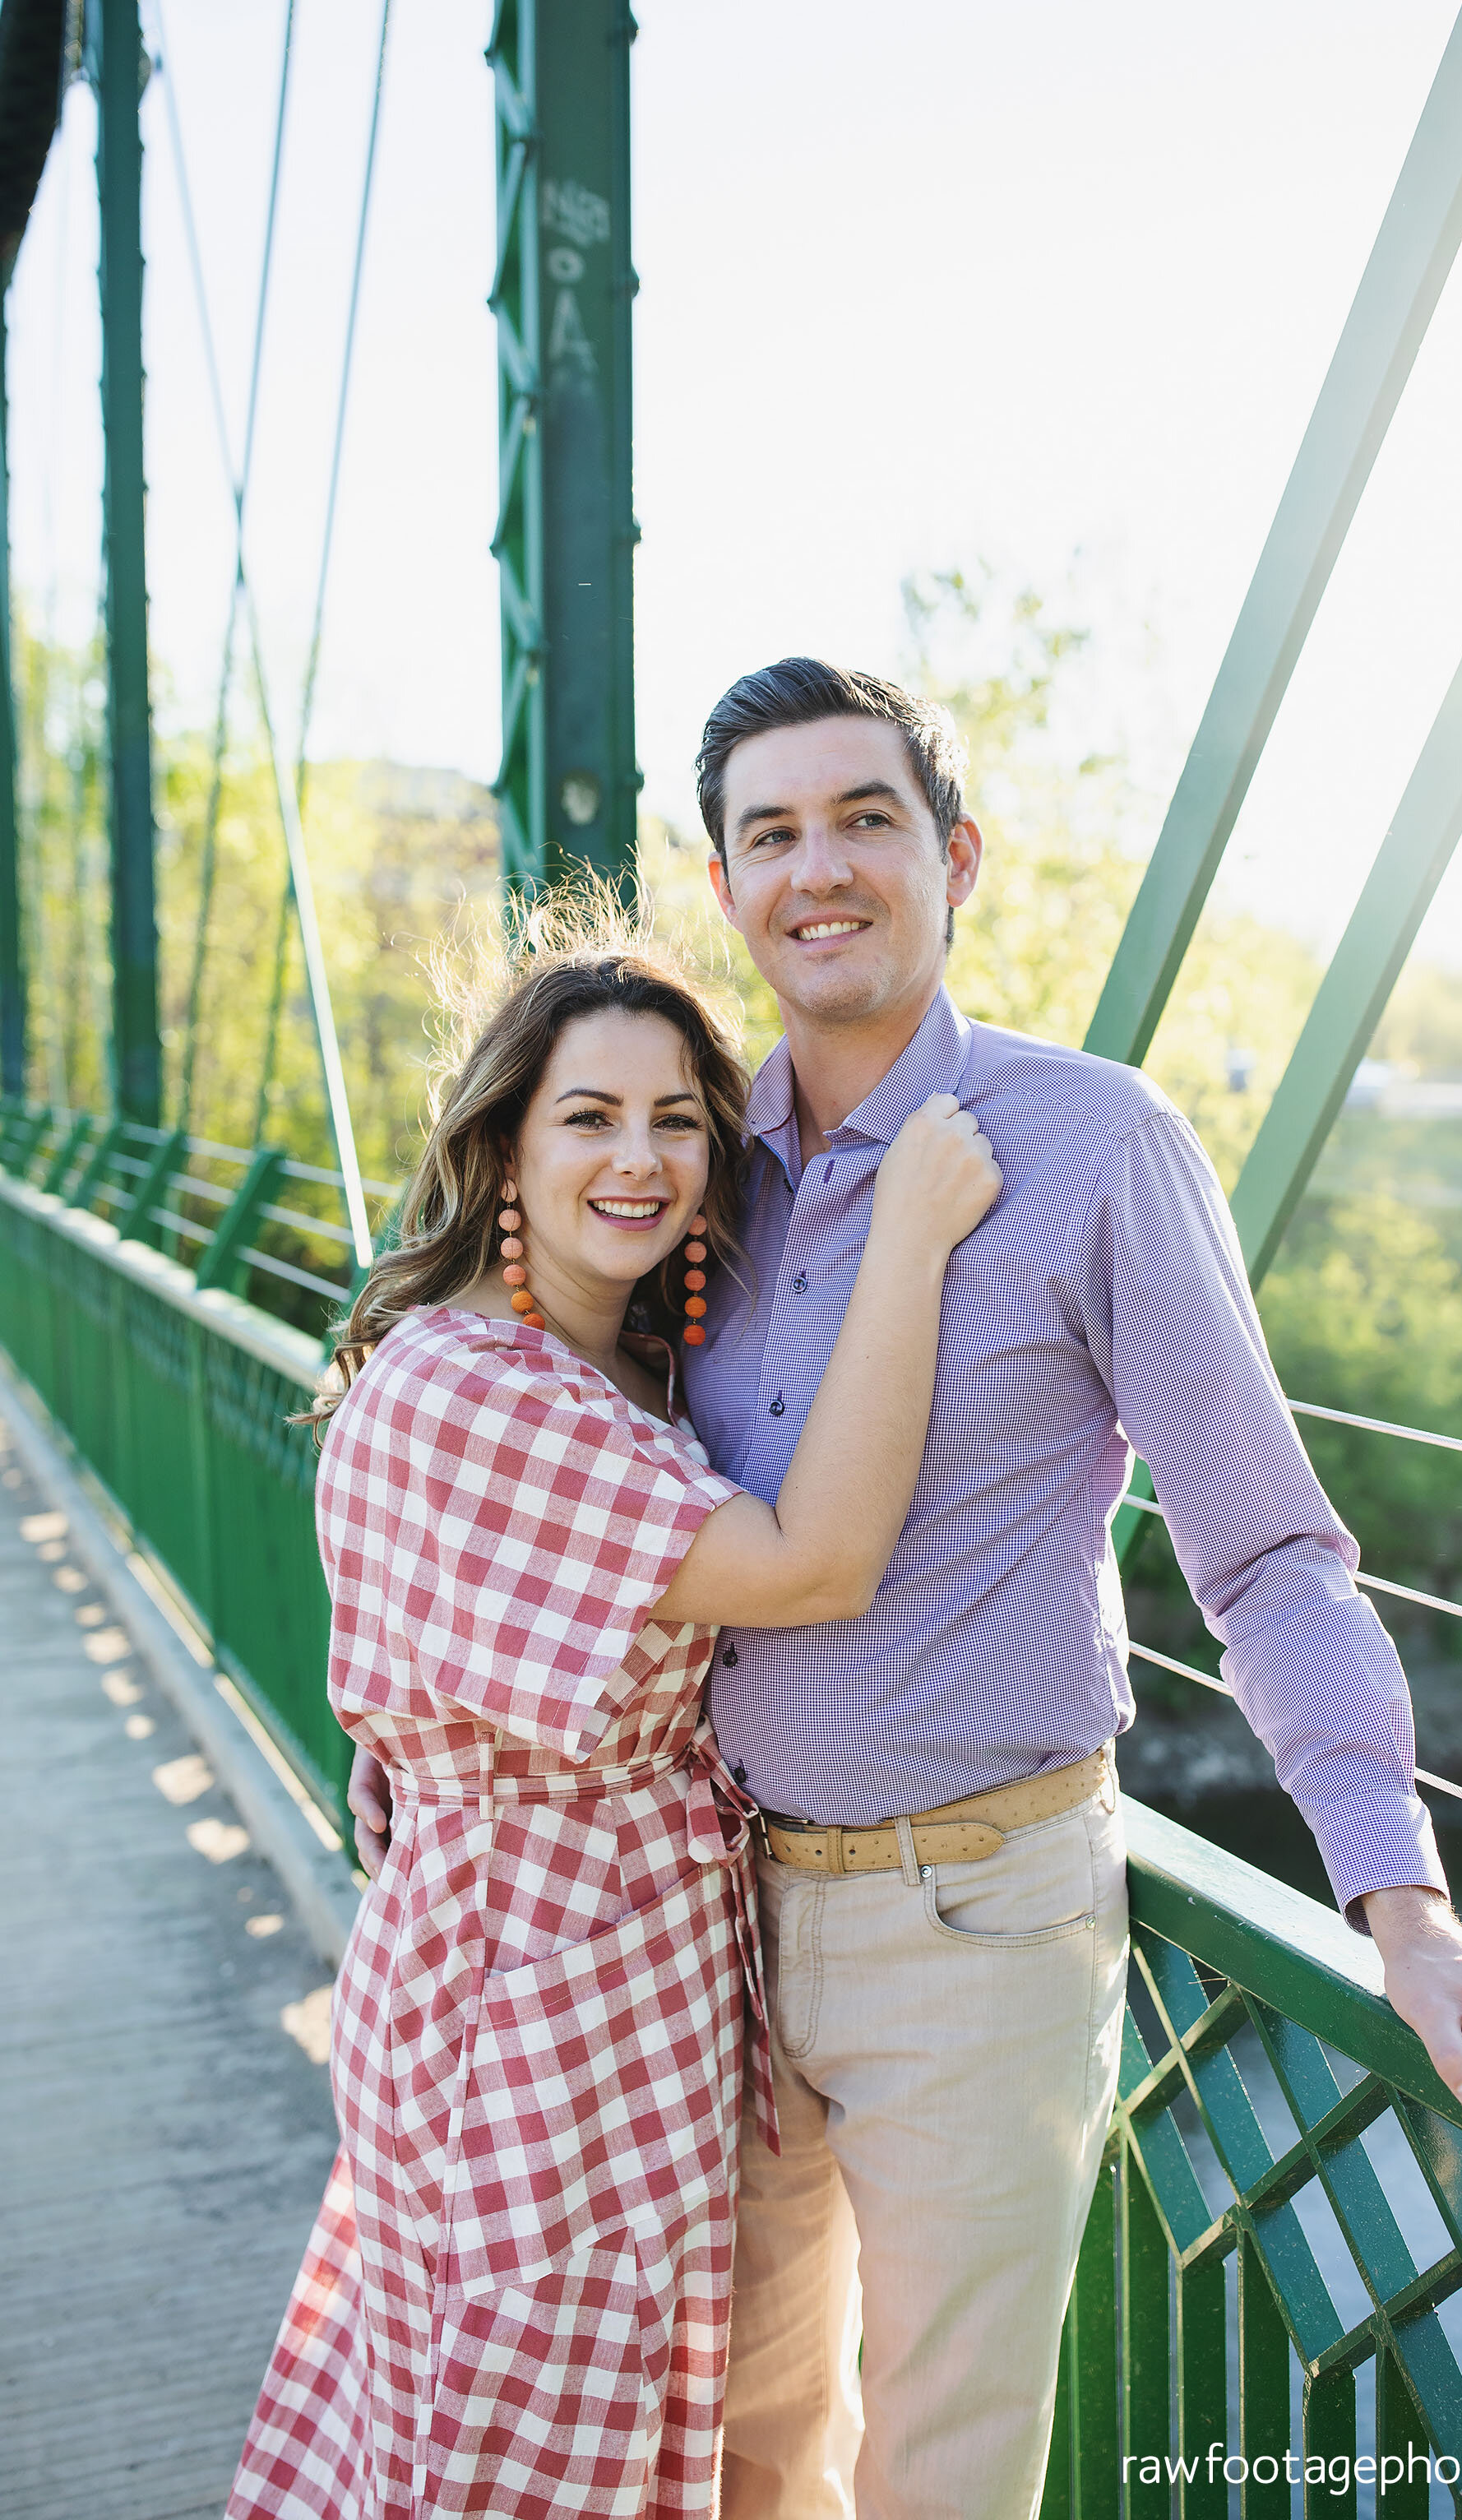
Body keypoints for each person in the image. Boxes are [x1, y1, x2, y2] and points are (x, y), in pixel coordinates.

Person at [351, 660, 1462, 2520]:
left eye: (866, 819)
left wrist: (1404, 1901)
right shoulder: (693, 1175)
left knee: (940, 2475)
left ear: (955, 856)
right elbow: (549, 1479)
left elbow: (1268, 1553)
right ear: (722, 887)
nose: (821, 870)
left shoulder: (1097, 1147)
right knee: (743, 2458)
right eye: (770, 833)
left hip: (977, 1922)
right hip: (700, 1935)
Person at [226, 910, 1001, 2520]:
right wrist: (912, 1233)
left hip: (630, 1963)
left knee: (631, 2420)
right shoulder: (481, 1386)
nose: (639, 1160)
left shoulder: (630, 1366)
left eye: (676, 1121)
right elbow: (818, 1562)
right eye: (588, 1117)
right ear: (504, 1147)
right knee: (515, 2425)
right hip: (525, 1985)